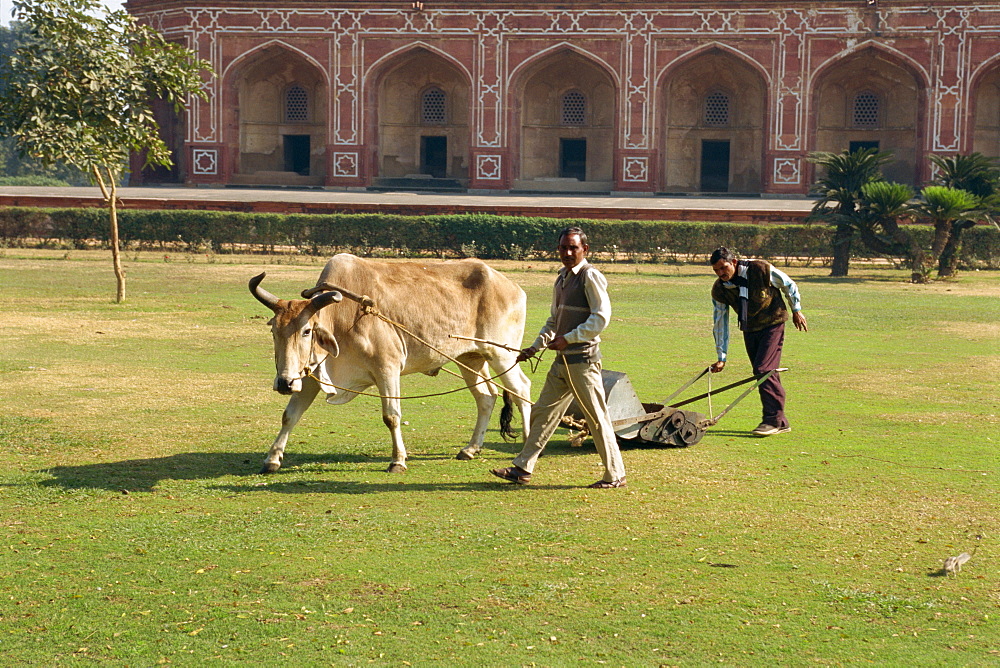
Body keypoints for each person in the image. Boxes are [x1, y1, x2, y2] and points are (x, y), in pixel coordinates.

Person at [490, 227, 627, 488]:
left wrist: (569, 338)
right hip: (562, 362)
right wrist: (534, 347)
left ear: (584, 250)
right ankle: (522, 468)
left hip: (583, 361)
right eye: (563, 247)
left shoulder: (590, 276)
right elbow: (554, 321)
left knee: (596, 418)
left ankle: (615, 475)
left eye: (573, 248)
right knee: (542, 413)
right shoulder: (561, 278)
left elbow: (600, 318)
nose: (567, 252)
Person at [709, 246, 808, 436]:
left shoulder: (760, 269)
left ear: (734, 263)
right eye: (716, 270)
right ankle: (782, 421)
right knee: (765, 373)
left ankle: (772, 421)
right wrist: (722, 356)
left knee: (763, 370)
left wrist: (796, 310)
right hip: (750, 329)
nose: (721, 273)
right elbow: (720, 322)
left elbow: (788, 284)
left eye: (724, 268)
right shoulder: (720, 289)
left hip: (773, 324)